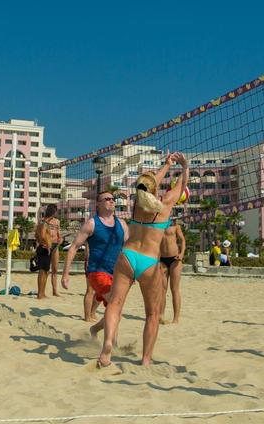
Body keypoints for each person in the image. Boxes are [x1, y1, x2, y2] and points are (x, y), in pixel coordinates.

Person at [98, 152, 188, 367]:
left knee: (115, 304)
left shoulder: (137, 203)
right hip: (149, 262)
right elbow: (180, 184)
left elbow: (148, 184)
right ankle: (146, 359)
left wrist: (165, 166)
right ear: (155, 189)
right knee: (152, 314)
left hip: (128, 256)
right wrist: (184, 167)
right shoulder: (165, 205)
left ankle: (107, 345)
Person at [61, 191, 128, 337]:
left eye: (113, 199)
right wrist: (65, 273)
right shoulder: (91, 223)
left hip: (117, 274)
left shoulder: (122, 224)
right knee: (115, 307)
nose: (111, 201)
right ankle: (110, 345)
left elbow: (128, 250)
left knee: (116, 309)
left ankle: (95, 329)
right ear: (98, 204)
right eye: (107, 199)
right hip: (97, 272)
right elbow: (73, 248)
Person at [159, 219, 186, 324]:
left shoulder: (175, 226)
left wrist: (182, 253)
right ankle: (161, 315)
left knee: (174, 289)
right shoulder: (157, 225)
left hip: (175, 259)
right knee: (162, 290)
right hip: (162, 260)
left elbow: (182, 240)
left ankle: (176, 318)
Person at [34, 208, 54, 299]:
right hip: (44, 249)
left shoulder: (40, 224)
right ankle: (40, 294)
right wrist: (46, 245)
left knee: (46, 271)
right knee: (43, 271)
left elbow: (36, 236)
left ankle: (42, 293)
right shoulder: (44, 224)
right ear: (52, 215)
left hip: (43, 248)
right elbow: (42, 235)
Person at [46, 205, 63, 296]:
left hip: (55, 246)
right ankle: (42, 289)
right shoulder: (44, 221)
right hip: (46, 246)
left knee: (55, 269)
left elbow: (58, 234)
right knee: (45, 269)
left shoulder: (57, 221)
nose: (56, 213)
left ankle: (55, 290)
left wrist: (61, 240)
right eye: (55, 211)